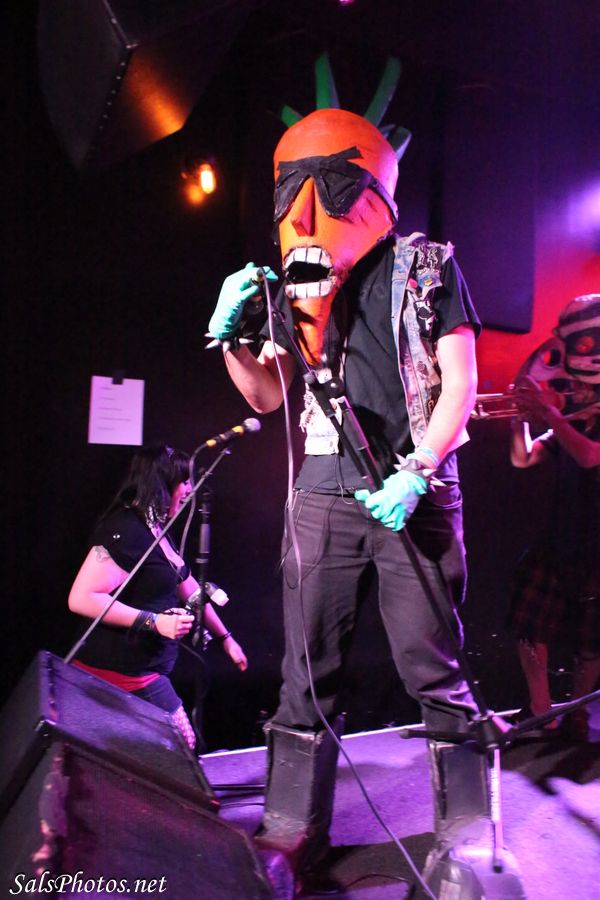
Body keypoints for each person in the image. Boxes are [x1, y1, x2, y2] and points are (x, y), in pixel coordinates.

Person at [207, 78, 521, 895]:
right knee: (305, 670)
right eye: (291, 191)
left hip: (412, 492)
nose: (307, 212)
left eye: (333, 187)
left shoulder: (425, 268)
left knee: (432, 664)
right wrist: (231, 338)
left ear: (376, 196)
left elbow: (460, 383)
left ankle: (466, 831)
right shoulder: (293, 288)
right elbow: (267, 395)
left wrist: (419, 469)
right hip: (322, 491)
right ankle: (291, 828)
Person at [68, 444, 247, 751]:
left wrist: (225, 638)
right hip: (118, 673)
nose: (189, 490)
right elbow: (81, 598)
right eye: (184, 481)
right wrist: (154, 622)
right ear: (162, 483)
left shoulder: (157, 530)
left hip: (144, 671)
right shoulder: (126, 531)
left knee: (171, 751)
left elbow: (189, 588)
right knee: (181, 747)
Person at [509, 295, 600, 742]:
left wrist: (549, 414)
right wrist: (519, 416)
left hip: (597, 545)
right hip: (562, 539)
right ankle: (541, 710)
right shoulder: (571, 423)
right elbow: (523, 458)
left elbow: (589, 457)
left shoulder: (576, 427)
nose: (573, 390)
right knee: (529, 622)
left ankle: (578, 715)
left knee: (591, 640)